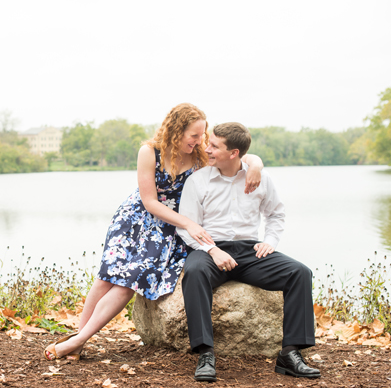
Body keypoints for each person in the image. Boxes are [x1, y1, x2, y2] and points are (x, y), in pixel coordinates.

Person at [43, 104, 264, 360]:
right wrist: (189, 223)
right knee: (106, 277)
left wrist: (256, 164)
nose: (200, 141)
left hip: (169, 230)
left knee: (133, 279)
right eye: (194, 135)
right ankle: (78, 341)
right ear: (176, 130)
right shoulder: (150, 152)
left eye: (202, 135)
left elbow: (241, 156)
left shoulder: (199, 154)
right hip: (135, 220)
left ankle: (77, 340)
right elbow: (150, 202)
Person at [177, 122, 319, 382]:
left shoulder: (260, 178)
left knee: (300, 273)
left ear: (234, 153)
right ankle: (205, 353)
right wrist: (212, 250)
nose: (206, 149)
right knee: (194, 271)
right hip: (209, 248)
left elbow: (276, 214)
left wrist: (270, 241)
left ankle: (290, 354)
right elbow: (187, 227)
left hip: (250, 251)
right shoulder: (198, 180)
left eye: (214, 146)